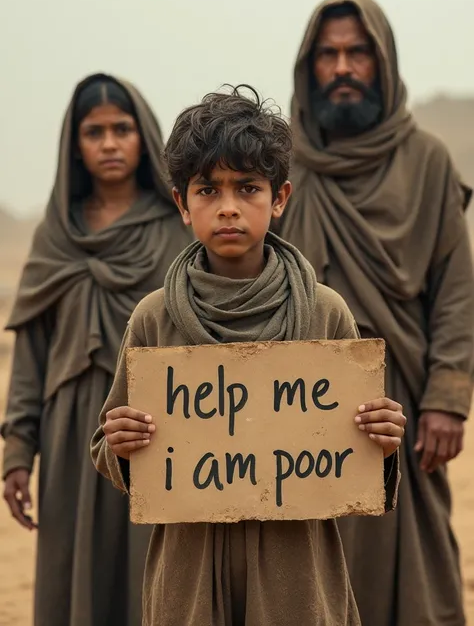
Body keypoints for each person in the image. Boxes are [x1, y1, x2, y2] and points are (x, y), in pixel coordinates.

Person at [91, 85, 406, 626]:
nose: (229, 207)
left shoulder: (325, 312)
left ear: (279, 198)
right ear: (181, 203)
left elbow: (355, 462)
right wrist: (121, 444)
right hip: (187, 570)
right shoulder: (154, 317)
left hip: (296, 568)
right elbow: (110, 448)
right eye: (208, 190)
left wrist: (382, 436)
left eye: (248, 187)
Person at [279, 0, 474, 626]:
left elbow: (454, 290)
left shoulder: (427, 162)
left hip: (404, 405)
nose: (342, 68)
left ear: (382, 62)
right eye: (328, 55)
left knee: (413, 574)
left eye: (357, 53)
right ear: (309, 69)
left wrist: (447, 396)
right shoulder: (282, 167)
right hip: (295, 412)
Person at [1, 73, 192, 626]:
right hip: (71, 440)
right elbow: (32, 353)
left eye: (122, 129)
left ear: (144, 136)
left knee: (154, 576)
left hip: (158, 430)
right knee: (76, 577)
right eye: (94, 132)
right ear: (75, 146)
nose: (109, 143)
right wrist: (18, 452)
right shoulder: (55, 237)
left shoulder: (176, 230)